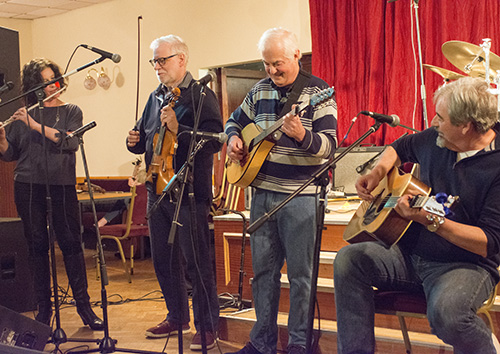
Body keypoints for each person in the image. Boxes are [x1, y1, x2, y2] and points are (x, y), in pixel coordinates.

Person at [334, 77, 500, 353]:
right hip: (410, 255)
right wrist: (376, 173)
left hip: (465, 266)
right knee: (349, 260)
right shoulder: (436, 140)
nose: (433, 123)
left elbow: (489, 242)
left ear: (466, 125)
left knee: (449, 315)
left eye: (440, 117)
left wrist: (433, 222)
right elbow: (399, 148)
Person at [225, 28, 338, 354]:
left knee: (302, 278)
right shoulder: (258, 90)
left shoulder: (319, 93)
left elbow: (329, 147)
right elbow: (233, 121)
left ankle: (299, 345)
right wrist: (233, 138)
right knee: (263, 276)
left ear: (296, 57)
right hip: (261, 195)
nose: (272, 71)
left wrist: (303, 135)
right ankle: (261, 344)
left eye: (278, 64)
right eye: (266, 65)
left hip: (300, 198)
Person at [126, 35, 222, 351]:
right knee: (164, 261)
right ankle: (177, 316)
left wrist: (179, 130)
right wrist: (133, 141)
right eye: (154, 61)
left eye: (161, 60)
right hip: (157, 189)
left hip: (189, 191)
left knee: (196, 263)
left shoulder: (201, 96)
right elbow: (146, 139)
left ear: (181, 59)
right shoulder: (155, 98)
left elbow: (215, 140)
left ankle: (207, 327)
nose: (156, 66)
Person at [0, 58, 103, 330]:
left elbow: (70, 141)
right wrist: (1, 140)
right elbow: (11, 153)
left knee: (70, 244)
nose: (54, 86)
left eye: (55, 79)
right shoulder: (23, 113)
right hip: (28, 184)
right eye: (47, 82)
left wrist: (34, 125)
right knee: (36, 247)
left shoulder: (71, 110)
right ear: (36, 87)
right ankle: (43, 311)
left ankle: (85, 308)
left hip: (61, 185)